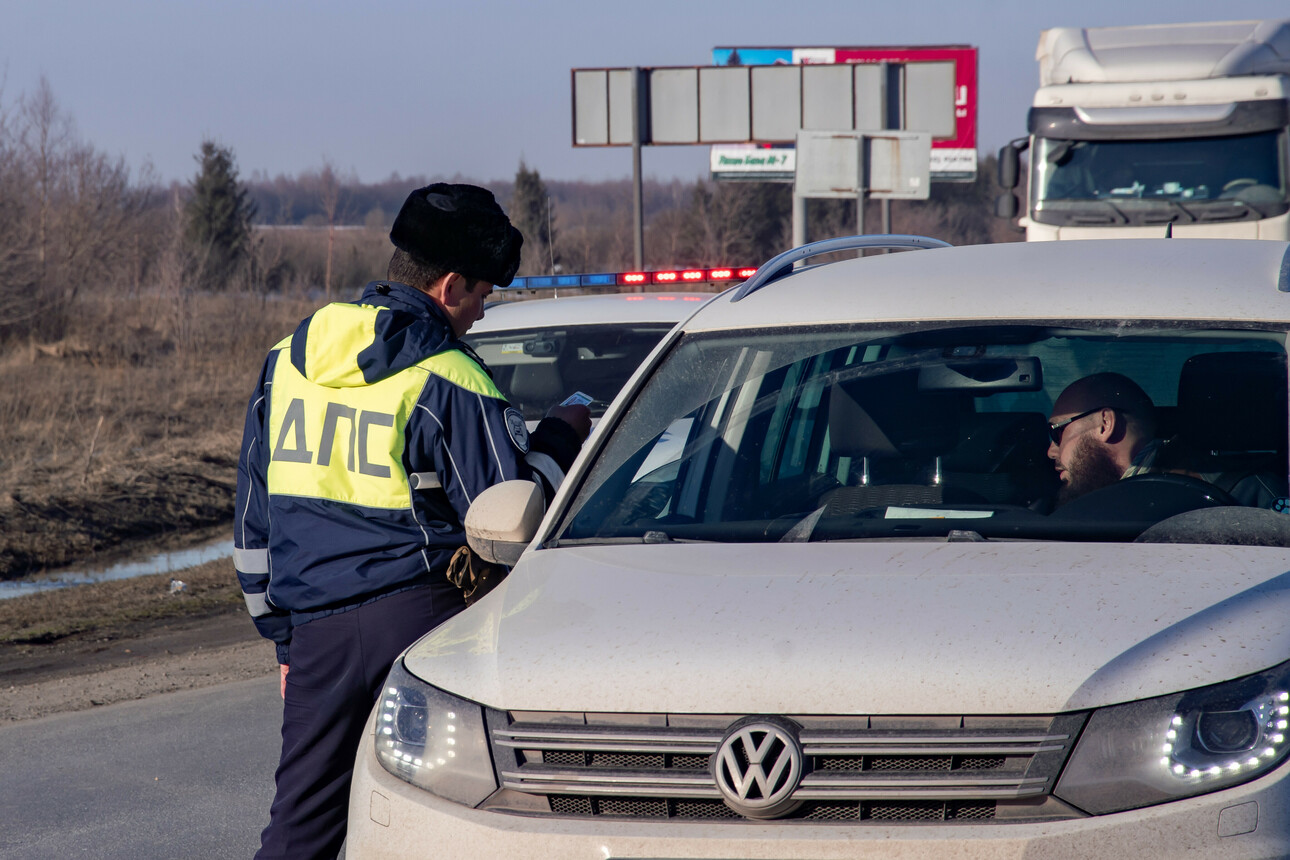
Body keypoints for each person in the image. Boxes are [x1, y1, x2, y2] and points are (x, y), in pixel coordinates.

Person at [233, 182, 591, 859]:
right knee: (452, 811)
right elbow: (506, 518)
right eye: (484, 294)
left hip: (317, 632)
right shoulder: (452, 374)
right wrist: (561, 440)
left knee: (299, 829)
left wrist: (283, 642)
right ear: (451, 285)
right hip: (425, 621)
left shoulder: (286, 362)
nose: (482, 314)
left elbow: (254, 527)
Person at [1046, 372, 1159, 505]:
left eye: (1057, 432)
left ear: (1105, 424)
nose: (1051, 452)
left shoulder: (1174, 507)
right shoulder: (1162, 498)